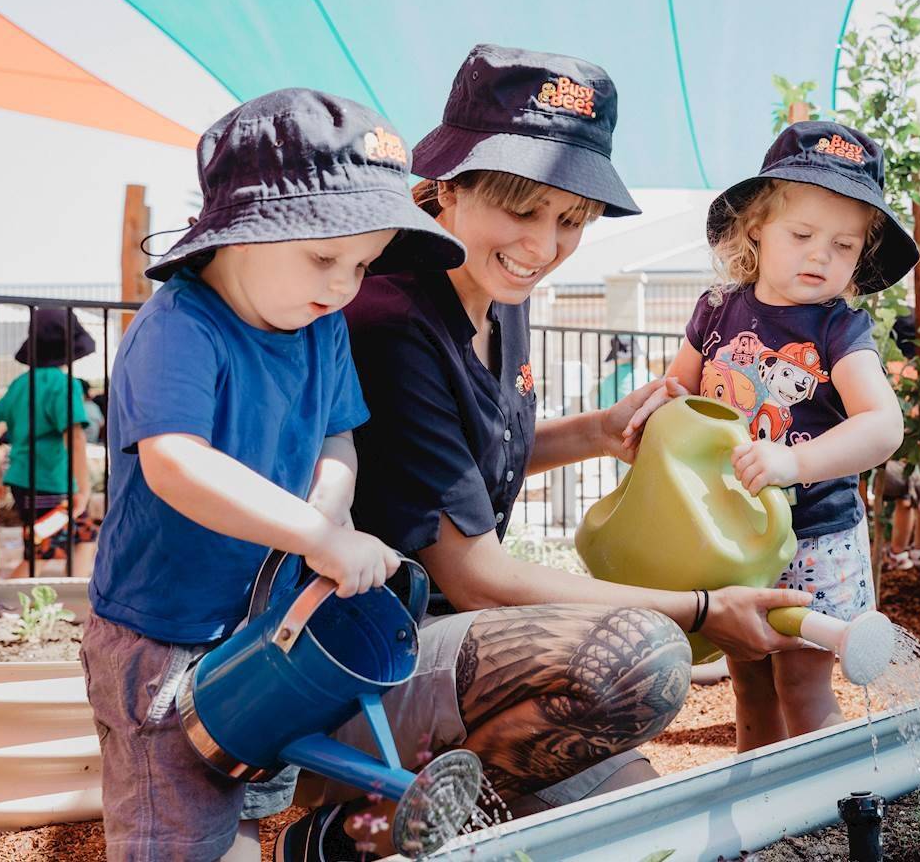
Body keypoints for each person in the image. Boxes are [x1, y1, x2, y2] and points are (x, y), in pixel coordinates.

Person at [276, 46, 810, 860]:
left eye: (570, 219)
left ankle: (422, 812)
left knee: (639, 822)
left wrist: (600, 431)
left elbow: (465, 464)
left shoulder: (493, 293)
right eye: (521, 209)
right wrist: (703, 611)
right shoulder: (393, 318)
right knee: (641, 661)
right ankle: (356, 834)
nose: (545, 243)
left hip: (455, 656)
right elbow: (475, 575)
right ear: (448, 187)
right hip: (363, 661)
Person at [81, 88, 465, 862]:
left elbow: (338, 438)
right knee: (176, 831)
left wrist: (330, 511)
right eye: (324, 258)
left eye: (362, 264)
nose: (343, 284)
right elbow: (176, 465)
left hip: (270, 624)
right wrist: (314, 533)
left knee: (253, 798)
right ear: (240, 232)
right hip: (166, 634)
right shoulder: (182, 326)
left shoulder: (321, 329)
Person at [665, 120, 914, 752]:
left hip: (814, 541)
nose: (819, 255)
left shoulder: (839, 330)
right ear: (756, 227)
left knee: (803, 691)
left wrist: (791, 460)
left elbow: (883, 426)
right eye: (801, 235)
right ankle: (761, 821)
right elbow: (676, 395)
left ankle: (832, 817)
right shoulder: (717, 310)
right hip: (730, 540)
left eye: (843, 245)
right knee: (749, 688)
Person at [0, 308, 99, 577]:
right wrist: (84, 489)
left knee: (84, 538)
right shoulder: (64, 385)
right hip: (52, 484)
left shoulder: (20, 384)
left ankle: (76, 607)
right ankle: (8, 609)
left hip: (24, 480)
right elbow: (74, 436)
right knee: (40, 553)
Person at [878, 312, 920, 571]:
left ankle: (898, 552)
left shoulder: (890, 366)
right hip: (912, 443)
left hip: (895, 442)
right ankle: (912, 551)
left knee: (905, 499)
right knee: (914, 497)